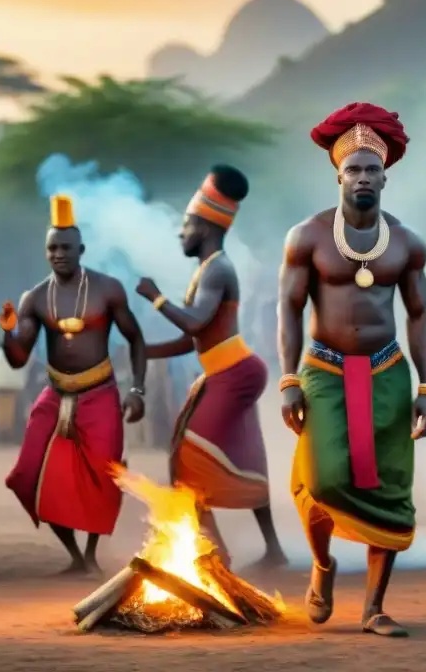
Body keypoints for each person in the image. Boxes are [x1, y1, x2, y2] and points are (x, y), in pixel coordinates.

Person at [279, 102, 426, 638]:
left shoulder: (407, 242)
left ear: (385, 176)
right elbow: (288, 310)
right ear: (338, 174)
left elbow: (419, 314)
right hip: (323, 371)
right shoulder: (308, 237)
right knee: (325, 477)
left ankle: (374, 606)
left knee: (388, 487)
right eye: (354, 169)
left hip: (387, 371)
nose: (363, 177)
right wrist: (289, 380)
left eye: (372, 168)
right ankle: (323, 564)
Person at [136, 165, 287, 571]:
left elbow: (196, 322)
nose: (179, 233)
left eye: (185, 226)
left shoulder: (218, 268)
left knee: (186, 460)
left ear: (203, 227)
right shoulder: (210, 269)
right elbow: (195, 340)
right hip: (230, 371)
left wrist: (154, 298)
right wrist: (145, 351)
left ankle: (215, 554)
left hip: (234, 373)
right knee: (245, 456)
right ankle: (270, 550)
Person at [2, 194, 147, 576]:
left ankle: (92, 553)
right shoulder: (35, 298)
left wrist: (137, 390)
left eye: (66, 247)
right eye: (52, 248)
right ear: (45, 252)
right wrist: (7, 333)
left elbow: (135, 339)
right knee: (29, 473)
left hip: (100, 392)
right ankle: (74, 555)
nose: (59, 254)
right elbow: (18, 357)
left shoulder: (107, 289)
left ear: (81, 249)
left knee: (104, 474)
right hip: (57, 393)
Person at [0, 346, 30, 442]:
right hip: (12, 388)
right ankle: (7, 437)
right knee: (9, 417)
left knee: (1, 417)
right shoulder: (16, 354)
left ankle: (3, 436)